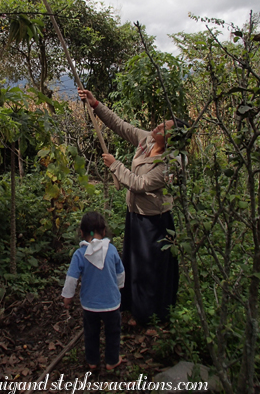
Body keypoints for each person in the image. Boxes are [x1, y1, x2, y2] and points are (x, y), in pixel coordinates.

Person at [78, 88, 187, 326]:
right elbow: (119, 125)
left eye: (163, 128)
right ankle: (136, 309)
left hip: (154, 220)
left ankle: (153, 318)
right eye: (159, 124)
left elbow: (142, 184)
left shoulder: (171, 162)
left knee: (151, 270)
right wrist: (95, 104)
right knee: (135, 265)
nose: (157, 127)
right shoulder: (147, 140)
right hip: (135, 215)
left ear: (171, 139)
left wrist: (116, 166)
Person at [61, 211, 125, 370]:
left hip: (90, 306)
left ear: (81, 232)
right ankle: (112, 361)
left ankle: (92, 361)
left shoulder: (79, 254)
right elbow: (120, 273)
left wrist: (67, 297)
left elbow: (71, 278)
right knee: (113, 333)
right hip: (111, 304)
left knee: (91, 334)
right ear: (104, 231)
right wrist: (118, 288)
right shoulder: (111, 250)